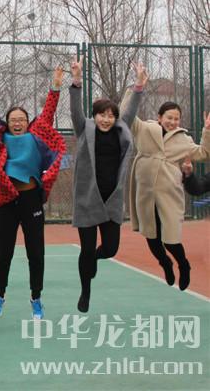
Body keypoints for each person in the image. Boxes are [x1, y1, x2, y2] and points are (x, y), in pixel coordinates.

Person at [0, 66, 66, 319]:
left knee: (36, 252)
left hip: (31, 199)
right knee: (4, 253)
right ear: (7, 123)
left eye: (21, 119)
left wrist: (55, 86)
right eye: (13, 119)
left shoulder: (36, 135)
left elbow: (49, 111)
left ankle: (36, 298)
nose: (17, 122)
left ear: (28, 122)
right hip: (7, 201)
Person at [69, 59, 148, 312]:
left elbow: (131, 110)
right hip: (87, 200)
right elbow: (75, 109)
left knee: (111, 249)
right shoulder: (84, 129)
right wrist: (76, 81)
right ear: (94, 116)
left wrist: (138, 85)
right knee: (86, 249)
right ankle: (85, 292)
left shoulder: (121, 130)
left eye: (111, 115)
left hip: (112, 200)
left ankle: (95, 258)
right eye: (102, 115)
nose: (106, 119)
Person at [130, 97, 210, 291]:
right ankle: (165, 263)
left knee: (171, 241)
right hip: (146, 196)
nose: (173, 122)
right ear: (159, 117)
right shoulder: (145, 129)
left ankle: (183, 265)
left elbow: (204, 153)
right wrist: (137, 88)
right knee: (152, 239)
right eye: (169, 118)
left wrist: (207, 130)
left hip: (170, 196)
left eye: (176, 119)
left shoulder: (183, 139)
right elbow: (127, 115)